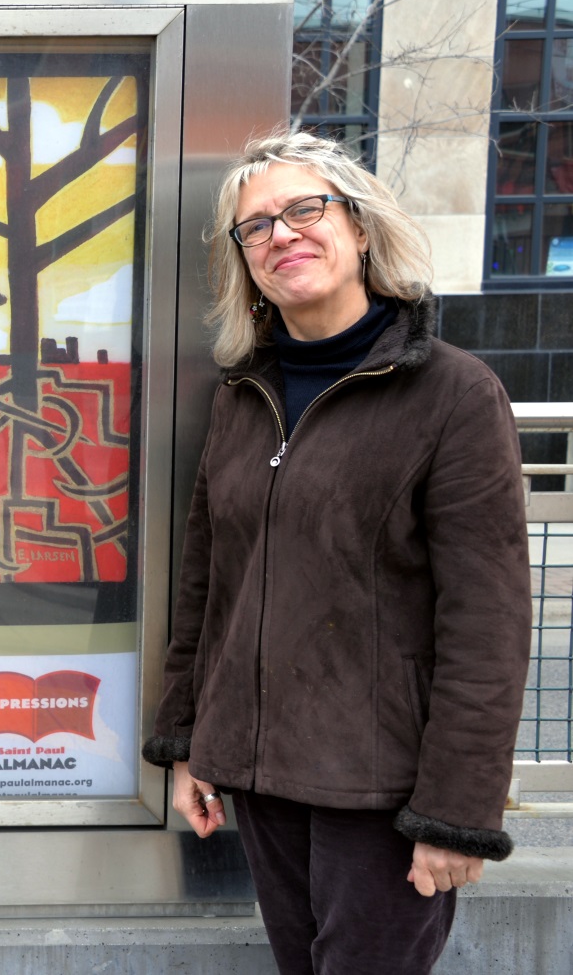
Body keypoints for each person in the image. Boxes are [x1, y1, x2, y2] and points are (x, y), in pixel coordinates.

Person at [142, 131, 530, 975]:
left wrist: (453, 814)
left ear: (359, 229)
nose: (281, 234)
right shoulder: (242, 399)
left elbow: (487, 624)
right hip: (262, 779)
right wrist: (188, 746)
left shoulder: (453, 394)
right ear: (244, 263)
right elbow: (208, 589)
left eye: (304, 209)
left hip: (382, 795)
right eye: (256, 226)